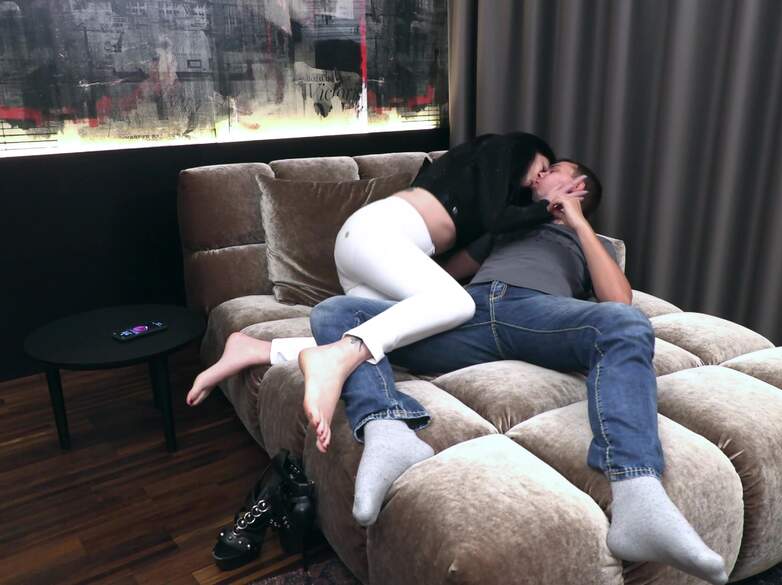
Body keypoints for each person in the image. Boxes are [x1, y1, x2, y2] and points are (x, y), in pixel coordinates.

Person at [187, 160, 729, 584]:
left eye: (553, 171)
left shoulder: (592, 242)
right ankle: (388, 431)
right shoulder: (506, 227)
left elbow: (619, 300)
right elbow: (438, 282)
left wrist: (577, 222)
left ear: (577, 185)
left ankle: (637, 491)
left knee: (626, 326)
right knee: (336, 311)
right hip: (466, 321)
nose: (539, 176)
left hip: (535, 317)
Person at [186, 132, 588, 413]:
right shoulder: (503, 148)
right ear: (529, 150)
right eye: (547, 165)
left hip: (372, 252)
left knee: (390, 339)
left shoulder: (493, 205)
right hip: (377, 234)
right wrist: (547, 206)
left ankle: (256, 349)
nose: (545, 176)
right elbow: (498, 219)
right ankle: (326, 366)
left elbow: (470, 252)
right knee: (458, 304)